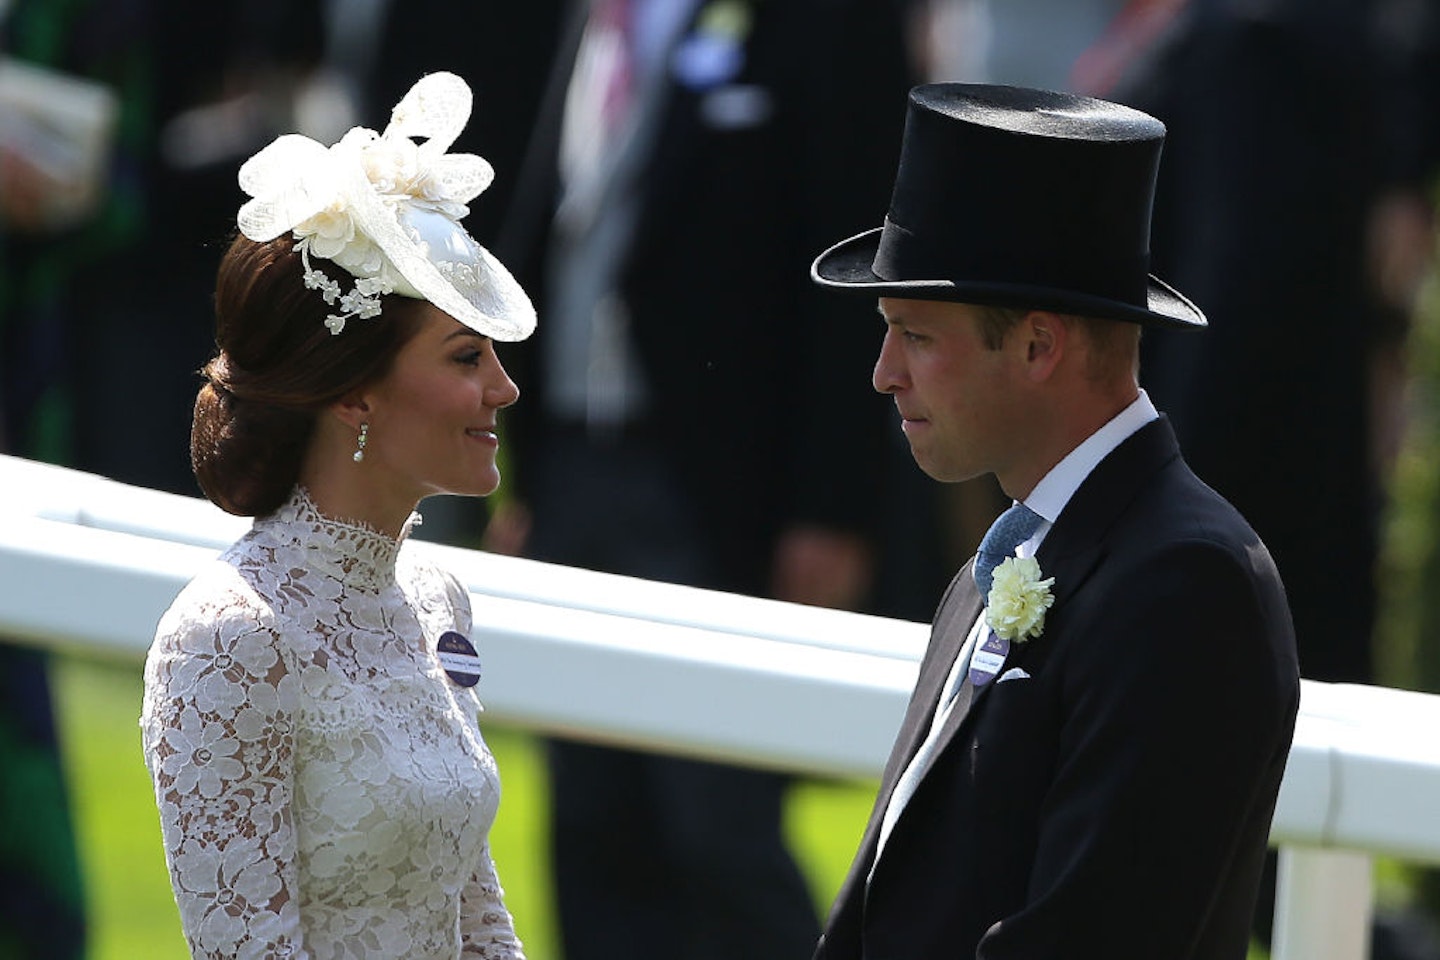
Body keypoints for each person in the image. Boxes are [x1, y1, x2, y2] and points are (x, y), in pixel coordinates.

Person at [807, 83, 1300, 959]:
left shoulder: (1187, 583)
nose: (884, 373)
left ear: (1039, 346)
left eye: (916, 335)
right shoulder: (1006, 562)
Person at [492, 2, 924, 958]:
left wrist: (832, 506)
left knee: (717, 827)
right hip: (574, 463)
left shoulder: (823, 22)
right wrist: (522, 477)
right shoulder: (592, 18)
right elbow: (559, 225)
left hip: (719, 488)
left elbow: (856, 261)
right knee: (590, 817)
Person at [139, 72, 535, 960]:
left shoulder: (436, 598)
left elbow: (476, 911)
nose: (503, 389)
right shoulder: (230, 635)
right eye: (467, 356)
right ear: (354, 390)